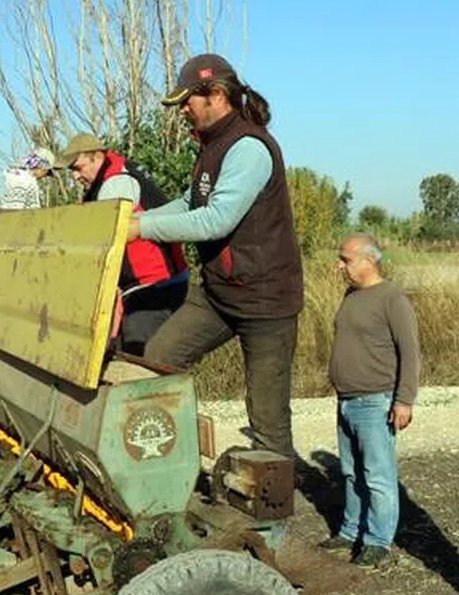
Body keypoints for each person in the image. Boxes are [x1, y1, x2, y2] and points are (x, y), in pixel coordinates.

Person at [129, 53, 303, 458]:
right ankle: (172, 461)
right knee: (158, 360)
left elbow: (215, 221)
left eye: (188, 100)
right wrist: (135, 219)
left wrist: (141, 230)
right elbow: (191, 202)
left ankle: (269, 521)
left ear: (217, 94)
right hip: (218, 293)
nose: (184, 110)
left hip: (265, 302)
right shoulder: (212, 146)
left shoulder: (248, 148)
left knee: (267, 421)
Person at [321, 233, 420, 569]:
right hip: (346, 401)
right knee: (350, 473)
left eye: (345, 259)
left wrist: (404, 400)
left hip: (375, 402)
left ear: (368, 259)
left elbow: (410, 352)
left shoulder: (392, 299)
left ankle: (378, 541)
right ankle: (350, 532)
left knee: (377, 475)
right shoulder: (351, 296)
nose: (340, 266)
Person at [60, 132, 189, 355]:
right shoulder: (108, 177)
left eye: (77, 168)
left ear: (96, 157)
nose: (74, 177)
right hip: (145, 285)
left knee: (141, 359)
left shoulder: (116, 184)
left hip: (153, 286)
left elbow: (103, 242)